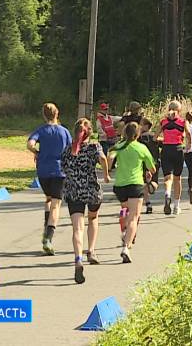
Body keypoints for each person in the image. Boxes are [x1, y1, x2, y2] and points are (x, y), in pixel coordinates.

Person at [61, 119, 110, 284]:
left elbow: (63, 167)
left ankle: (78, 259)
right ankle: (92, 250)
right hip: (91, 190)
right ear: (90, 132)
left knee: (77, 228)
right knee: (93, 218)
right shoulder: (94, 147)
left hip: (74, 191)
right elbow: (103, 159)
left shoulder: (68, 149)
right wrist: (106, 174)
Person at [27, 103, 72, 255]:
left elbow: (30, 144)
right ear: (57, 114)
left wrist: (36, 152)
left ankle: (46, 227)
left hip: (43, 171)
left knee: (48, 199)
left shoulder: (41, 130)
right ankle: (48, 238)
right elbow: (71, 149)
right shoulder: (64, 131)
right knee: (56, 205)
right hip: (60, 171)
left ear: (44, 115)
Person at [108, 122, 156, 263]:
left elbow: (110, 157)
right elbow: (152, 168)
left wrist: (108, 170)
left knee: (124, 209)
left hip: (120, 185)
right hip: (135, 184)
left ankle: (124, 229)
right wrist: (148, 172)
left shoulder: (119, 145)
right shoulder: (141, 147)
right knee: (134, 217)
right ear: (137, 134)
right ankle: (126, 247)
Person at [157, 100, 186, 215]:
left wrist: (163, 139)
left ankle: (167, 193)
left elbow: (155, 137)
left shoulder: (163, 122)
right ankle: (176, 206)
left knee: (167, 178)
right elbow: (187, 134)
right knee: (177, 178)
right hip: (178, 149)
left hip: (166, 150)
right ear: (179, 110)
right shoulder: (182, 122)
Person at [138, 118, 160, 214]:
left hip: (142, 163)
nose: (139, 126)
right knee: (155, 181)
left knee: (144, 184)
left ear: (146, 126)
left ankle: (148, 204)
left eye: (141, 124)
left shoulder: (139, 137)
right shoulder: (154, 136)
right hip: (154, 163)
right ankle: (152, 185)